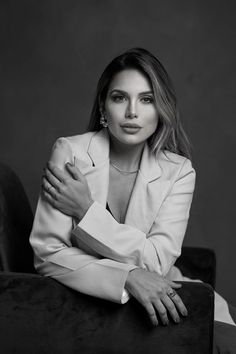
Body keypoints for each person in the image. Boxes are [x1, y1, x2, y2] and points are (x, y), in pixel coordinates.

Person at [30, 48, 236, 351]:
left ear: (161, 108)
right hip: (94, 305)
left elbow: (157, 261)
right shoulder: (71, 153)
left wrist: (86, 212)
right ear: (103, 105)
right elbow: (47, 254)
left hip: (169, 293)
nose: (132, 112)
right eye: (119, 97)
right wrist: (127, 276)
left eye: (146, 99)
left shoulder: (179, 171)